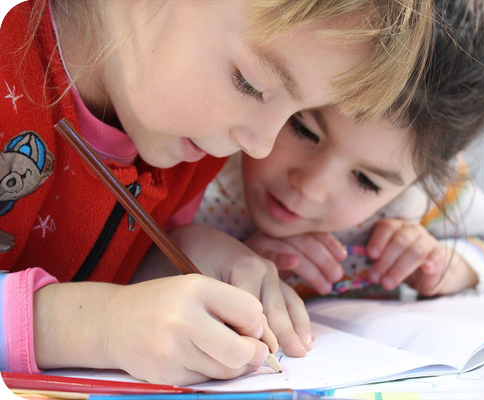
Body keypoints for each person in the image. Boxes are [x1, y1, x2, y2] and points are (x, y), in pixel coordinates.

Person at [0, 0, 434, 386]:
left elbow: (97, 268)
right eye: (251, 84)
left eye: (296, 114)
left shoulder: (191, 146)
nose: (260, 146)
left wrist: (179, 257)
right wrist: (101, 327)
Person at [190, 0, 484, 301]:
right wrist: (219, 259)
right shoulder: (201, 153)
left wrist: (445, 266)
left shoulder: (420, 199)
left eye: (365, 181)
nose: (310, 187)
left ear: (422, 179)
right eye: (302, 129)